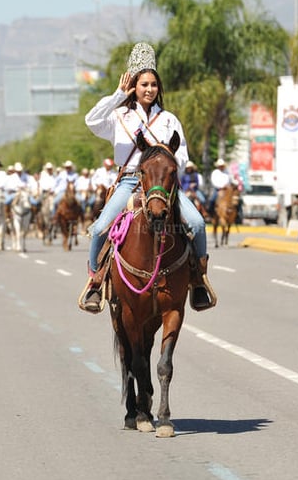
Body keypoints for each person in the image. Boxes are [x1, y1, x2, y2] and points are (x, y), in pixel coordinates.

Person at [79, 42, 216, 313]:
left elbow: (184, 156)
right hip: (130, 180)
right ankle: (95, 281)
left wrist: (164, 165)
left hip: (162, 185)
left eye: (153, 84)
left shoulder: (169, 120)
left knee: (198, 223)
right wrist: (118, 95)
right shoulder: (119, 116)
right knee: (99, 227)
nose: (149, 89)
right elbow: (91, 121)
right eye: (143, 84)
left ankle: (199, 280)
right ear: (134, 86)